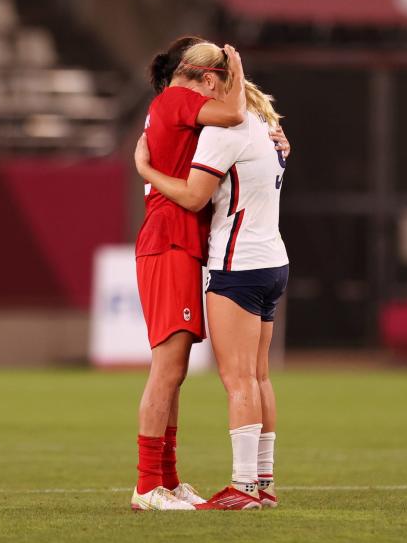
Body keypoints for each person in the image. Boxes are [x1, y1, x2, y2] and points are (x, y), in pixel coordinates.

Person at [134, 78, 288, 511]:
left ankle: (243, 487)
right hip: (274, 261)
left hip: (238, 264)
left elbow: (194, 194)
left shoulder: (224, 131)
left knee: (237, 379)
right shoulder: (264, 124)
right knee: (258, 377)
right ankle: (263, 481)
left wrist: (146, 171)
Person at [130, 37, 247, 511]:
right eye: (217, 81)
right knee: (167, 369)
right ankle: (146, 486)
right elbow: (235, 114)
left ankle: (167, 479)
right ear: (205, 77)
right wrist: (236, 69)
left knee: (172, 372)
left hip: (173, 242)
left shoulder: (167, 103)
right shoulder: (179, 99)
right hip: (169, 241)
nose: (218, 92)